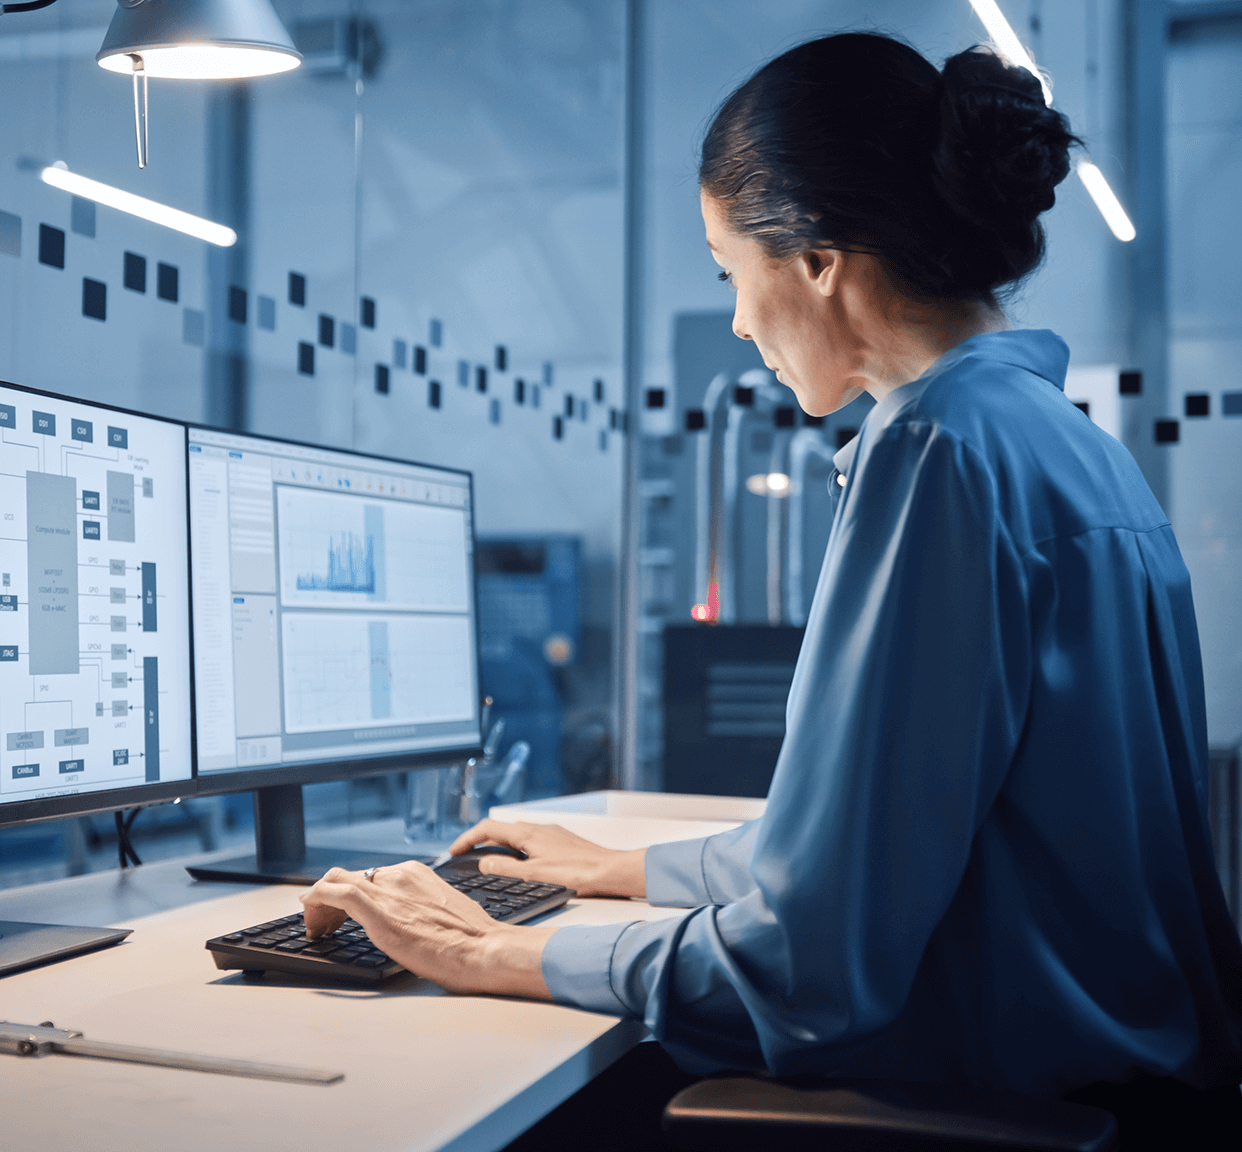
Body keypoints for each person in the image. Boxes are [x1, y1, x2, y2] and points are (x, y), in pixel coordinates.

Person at [302, 32, 1242, 1148]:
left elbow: (810, 969)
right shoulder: (1065, 447)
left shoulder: (939, 451)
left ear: (816, 261)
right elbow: (864, 849)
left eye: (727, 271)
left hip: (1013, 1102)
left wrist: (487, 949)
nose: (740, 323)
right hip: (1143, 1096)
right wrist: (619, 870)